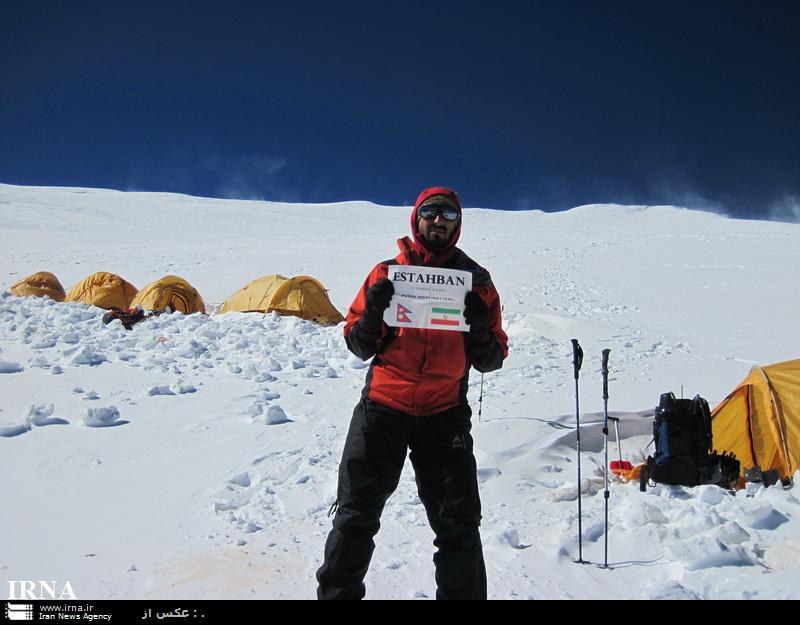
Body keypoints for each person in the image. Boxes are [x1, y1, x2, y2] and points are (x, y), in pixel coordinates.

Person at [316, 186, 508, 600]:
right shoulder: (386, 273)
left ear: (458, 225)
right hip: (383, 408)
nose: (439, 221)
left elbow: (491, 360)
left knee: (458, 523)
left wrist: (477, 324)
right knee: (355, 517)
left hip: (444, 414)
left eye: (449, 215)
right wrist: (371, 314)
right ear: (416, 218)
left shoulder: (478, 283)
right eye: (431, 212)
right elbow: (359, 344)